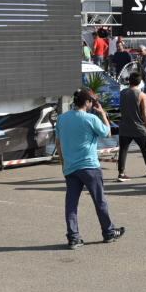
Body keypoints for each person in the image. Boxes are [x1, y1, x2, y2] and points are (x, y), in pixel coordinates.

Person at [55, 88, 125, 248]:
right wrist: (103, 114)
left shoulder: (62, 119)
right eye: (92, 101)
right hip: (89, 166)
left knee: (71, 204)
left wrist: (63, 162)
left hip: (70, 166)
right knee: (100, 201)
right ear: (87, 102)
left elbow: (58, 143)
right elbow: (107, 133)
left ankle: (73, 237)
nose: (93, 104)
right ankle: (108, 232)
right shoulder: (90, 118)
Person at [116, 72, 146, 181]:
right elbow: (145, 112)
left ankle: (121, 173)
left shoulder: (122, 93)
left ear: (129, 81)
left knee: (123, 150)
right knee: (145, 148)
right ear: (140, 82)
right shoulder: (141, 94)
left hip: (124, 126)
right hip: (138, 127)